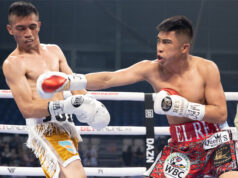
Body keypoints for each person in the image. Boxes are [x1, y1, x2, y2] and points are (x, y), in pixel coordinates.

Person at [37, 15, 238, 177]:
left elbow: (220, 114)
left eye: (167, 42)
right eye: (159, 40)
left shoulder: (206, 69)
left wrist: (181, 107)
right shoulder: (150, 69)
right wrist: (70, 81)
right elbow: (108, 79)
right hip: (181, 147)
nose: (159, 47)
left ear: (184, 48)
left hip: (215, 140)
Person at [3, 1, 110, 178]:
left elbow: (75, 85)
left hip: (67, 126)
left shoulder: (54, 51)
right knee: (76, 174)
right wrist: (67, 106)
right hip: (45, 128)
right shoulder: (13, 64)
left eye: (32, 26)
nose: (28, 33)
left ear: (39, 25)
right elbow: (27, 109)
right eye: (21, 28)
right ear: (10, 29)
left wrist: (90, 105)